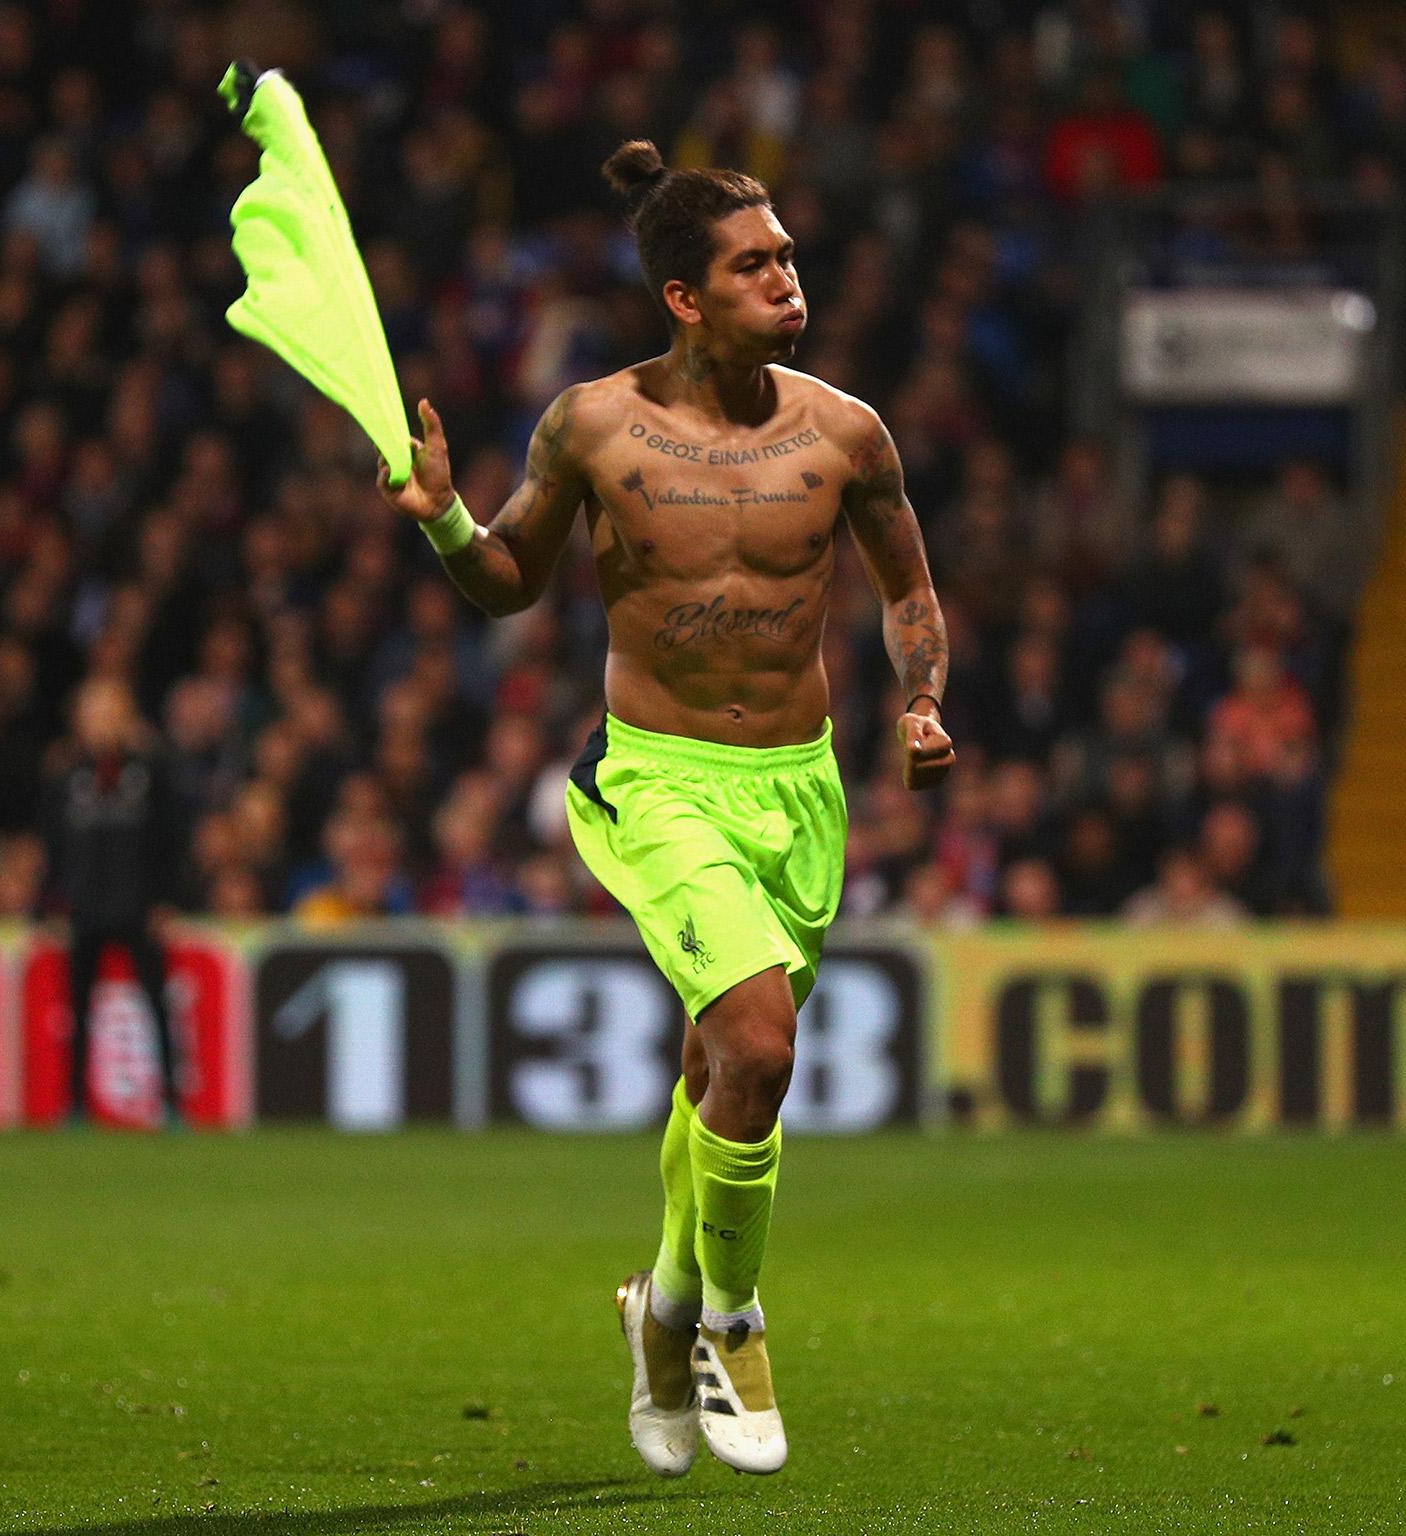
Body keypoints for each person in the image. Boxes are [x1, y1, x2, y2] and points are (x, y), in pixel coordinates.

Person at [377, 139, 955, 1478]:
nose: (787, 281)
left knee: (715, 1075)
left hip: (796, 791)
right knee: (757, 1047)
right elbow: (512, 578)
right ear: (686, 298)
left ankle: (662, 1302)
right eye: (755, 265)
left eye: (790, 259)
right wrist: (447, 523)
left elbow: (908, 592)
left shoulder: (847, 432)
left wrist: (922, 702)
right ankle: (733, 1328)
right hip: (659, 780)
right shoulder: (593, 426)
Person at [46, 676, 183, 1127]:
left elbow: (171, 838)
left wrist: (166, 898)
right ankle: (76, 1105)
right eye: (94, 713)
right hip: (85, 908)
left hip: (138, 906)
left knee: (156, 1004)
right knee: (79, 1009)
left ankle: (170, 1102)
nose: (102, 722)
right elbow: (55, 846)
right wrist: (54, 901)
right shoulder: (68, 777)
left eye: (111, 712)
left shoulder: (152, 774)